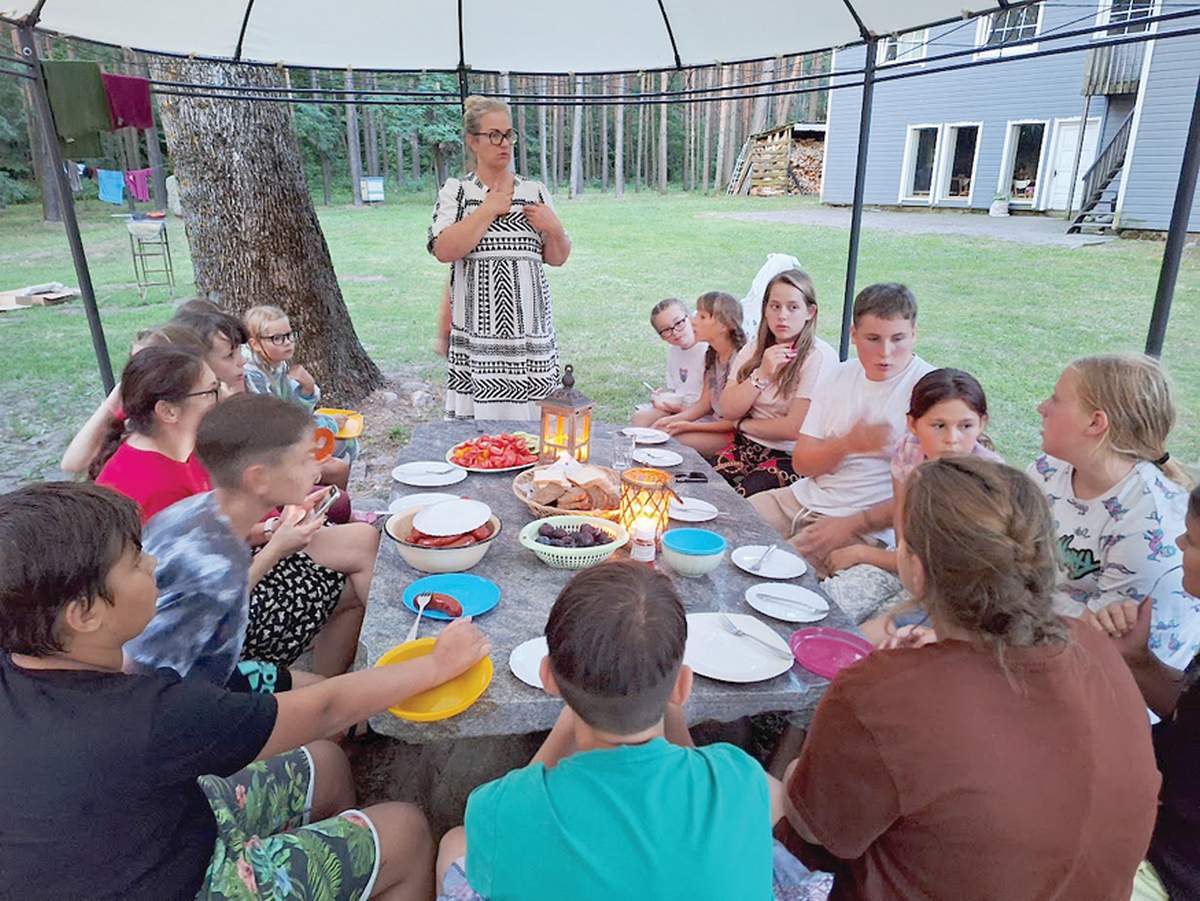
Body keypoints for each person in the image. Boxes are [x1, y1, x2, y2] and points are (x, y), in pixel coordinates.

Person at [0, 480, 490, 900]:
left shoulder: (24, 659)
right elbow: (325, 708)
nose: (152, 563)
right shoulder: (148, 717)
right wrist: (436, 664)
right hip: (183, 882)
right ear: (84, 615)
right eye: (134, 561)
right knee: (406, 829)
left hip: (158, 830)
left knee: (326, 761)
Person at [779, 457, 1161, 900]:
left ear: (916, 569)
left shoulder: (880, 693)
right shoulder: (1093, 647)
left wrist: (792, 771)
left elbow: (813, 831)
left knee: (748, 784)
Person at [434, 560, 791, 901]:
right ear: (682, 686)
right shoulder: (740, 778)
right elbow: (768, 798)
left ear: (547, 677)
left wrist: (573, 710)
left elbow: (519, 798)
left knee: (455, 842)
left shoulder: (499, 807)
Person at [126, 394, 377, 681]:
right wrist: (277, 548)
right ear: (258, 478)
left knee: (350, 577)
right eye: (305, 459)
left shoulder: (203, 509)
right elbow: (177, 674)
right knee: (329, 695)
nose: (318, 468)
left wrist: (278, 529)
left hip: (204, 647)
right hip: (195, 684)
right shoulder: (215, 566)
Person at [749, 283, 933, 583]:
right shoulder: (839, 375)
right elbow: (802, 463)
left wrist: (853, 524)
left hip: (864, 520)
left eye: (898, 339)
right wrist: (848, 444)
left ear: (914, 333)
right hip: (803, 498)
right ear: (854, 335)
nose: (885, 352)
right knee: (727, 524)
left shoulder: (928, 392)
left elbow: (928, 497)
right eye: (873, 339)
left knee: (771, 572)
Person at [1030, 353, 1198, 670]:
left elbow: (1095, 638)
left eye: (1055, 399)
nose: (1042, 407)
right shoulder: (1048, 470)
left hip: (1123, 679)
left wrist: (1010, 587)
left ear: (1096, 422)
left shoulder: (1149, 524)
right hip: (1047, 634)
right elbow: (1005, 550)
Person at [1089, 483, 1200, 901]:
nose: (1179, 543)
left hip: (1168, 866)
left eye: (1192, 540)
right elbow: (1187, 712)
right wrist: (1138, 661)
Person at [429, 96, 571, 420]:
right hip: (479, 340)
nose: (504, 143)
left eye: (508, 134)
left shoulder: (535, 191)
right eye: (494, 135)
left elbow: (557, 258)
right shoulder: (457, 192)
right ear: (472, 141)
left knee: (534, 432)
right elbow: (444, 249)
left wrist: (555, 229)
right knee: (479, 437)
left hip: (531, 337)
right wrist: (489, 208)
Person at [834, 368, 1002, 639]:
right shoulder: (909, 452)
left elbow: (954, 571)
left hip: (950, 590)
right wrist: (898, 561)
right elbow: (903, 530)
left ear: (982, 423)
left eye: (965, 426)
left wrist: (862, 554)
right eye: (939, 426)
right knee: (833, 600)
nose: (952, 439)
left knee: (871, 635)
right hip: (906, 565)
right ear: (913, 424)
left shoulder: (989, 481)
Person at [715, 269, 837, 497]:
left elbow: (793, 429)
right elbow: (728, 409)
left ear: (810, 312)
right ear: (765, 309)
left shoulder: (818, 357)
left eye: (793, 307)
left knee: (741, 499)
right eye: (775, 306)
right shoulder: (754, 349)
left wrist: (742, 424)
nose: (782, 316)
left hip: (789, 457)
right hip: (746, 446)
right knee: (705, 490)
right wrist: (762, 374)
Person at [92, 346, 220, 522]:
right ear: (168, 411)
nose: (220, 399)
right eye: (210, 393)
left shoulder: (183, 448)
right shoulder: (159, 491)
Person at [60, 323, 206, 476]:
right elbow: (73, 463)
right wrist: (110, 405)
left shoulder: (202, 401)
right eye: (135, 363)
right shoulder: (140, 406)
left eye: (151, 364)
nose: (139, 372)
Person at [243, 303, 356, 486]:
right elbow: (280, 425)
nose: (288, 342)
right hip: (271, 452)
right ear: (255, 344)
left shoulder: (277, 364)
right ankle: (323, 498)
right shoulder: (253, 375)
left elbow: (293, 411)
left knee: (347, 443)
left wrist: (307, 389)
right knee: (339, 457)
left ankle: (325, 496)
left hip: (286, 440)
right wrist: (328, 423)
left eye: (289, 335)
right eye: (277, 338)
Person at [654, 291, 746, 458]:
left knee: (671, 442)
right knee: (658, 431)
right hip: (715, 425)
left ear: (724, 325)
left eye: (702, 317)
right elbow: (704, 405)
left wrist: (688, 426)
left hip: (736, 435)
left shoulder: (740, 360)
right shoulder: (713, 354)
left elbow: (735, 423)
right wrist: (672, 420)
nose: (693, 320)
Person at [631, 297, 709, 427]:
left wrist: (675, 408)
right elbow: (678, 390)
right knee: (640, 418)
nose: (675, 332)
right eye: (666, 330)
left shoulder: (706, 350)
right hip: (679, 408)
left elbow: (710, 406)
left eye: (678, 323)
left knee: (661, 428)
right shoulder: (673, 351)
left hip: (701, 414)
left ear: (690, 318)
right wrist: (663, 397)